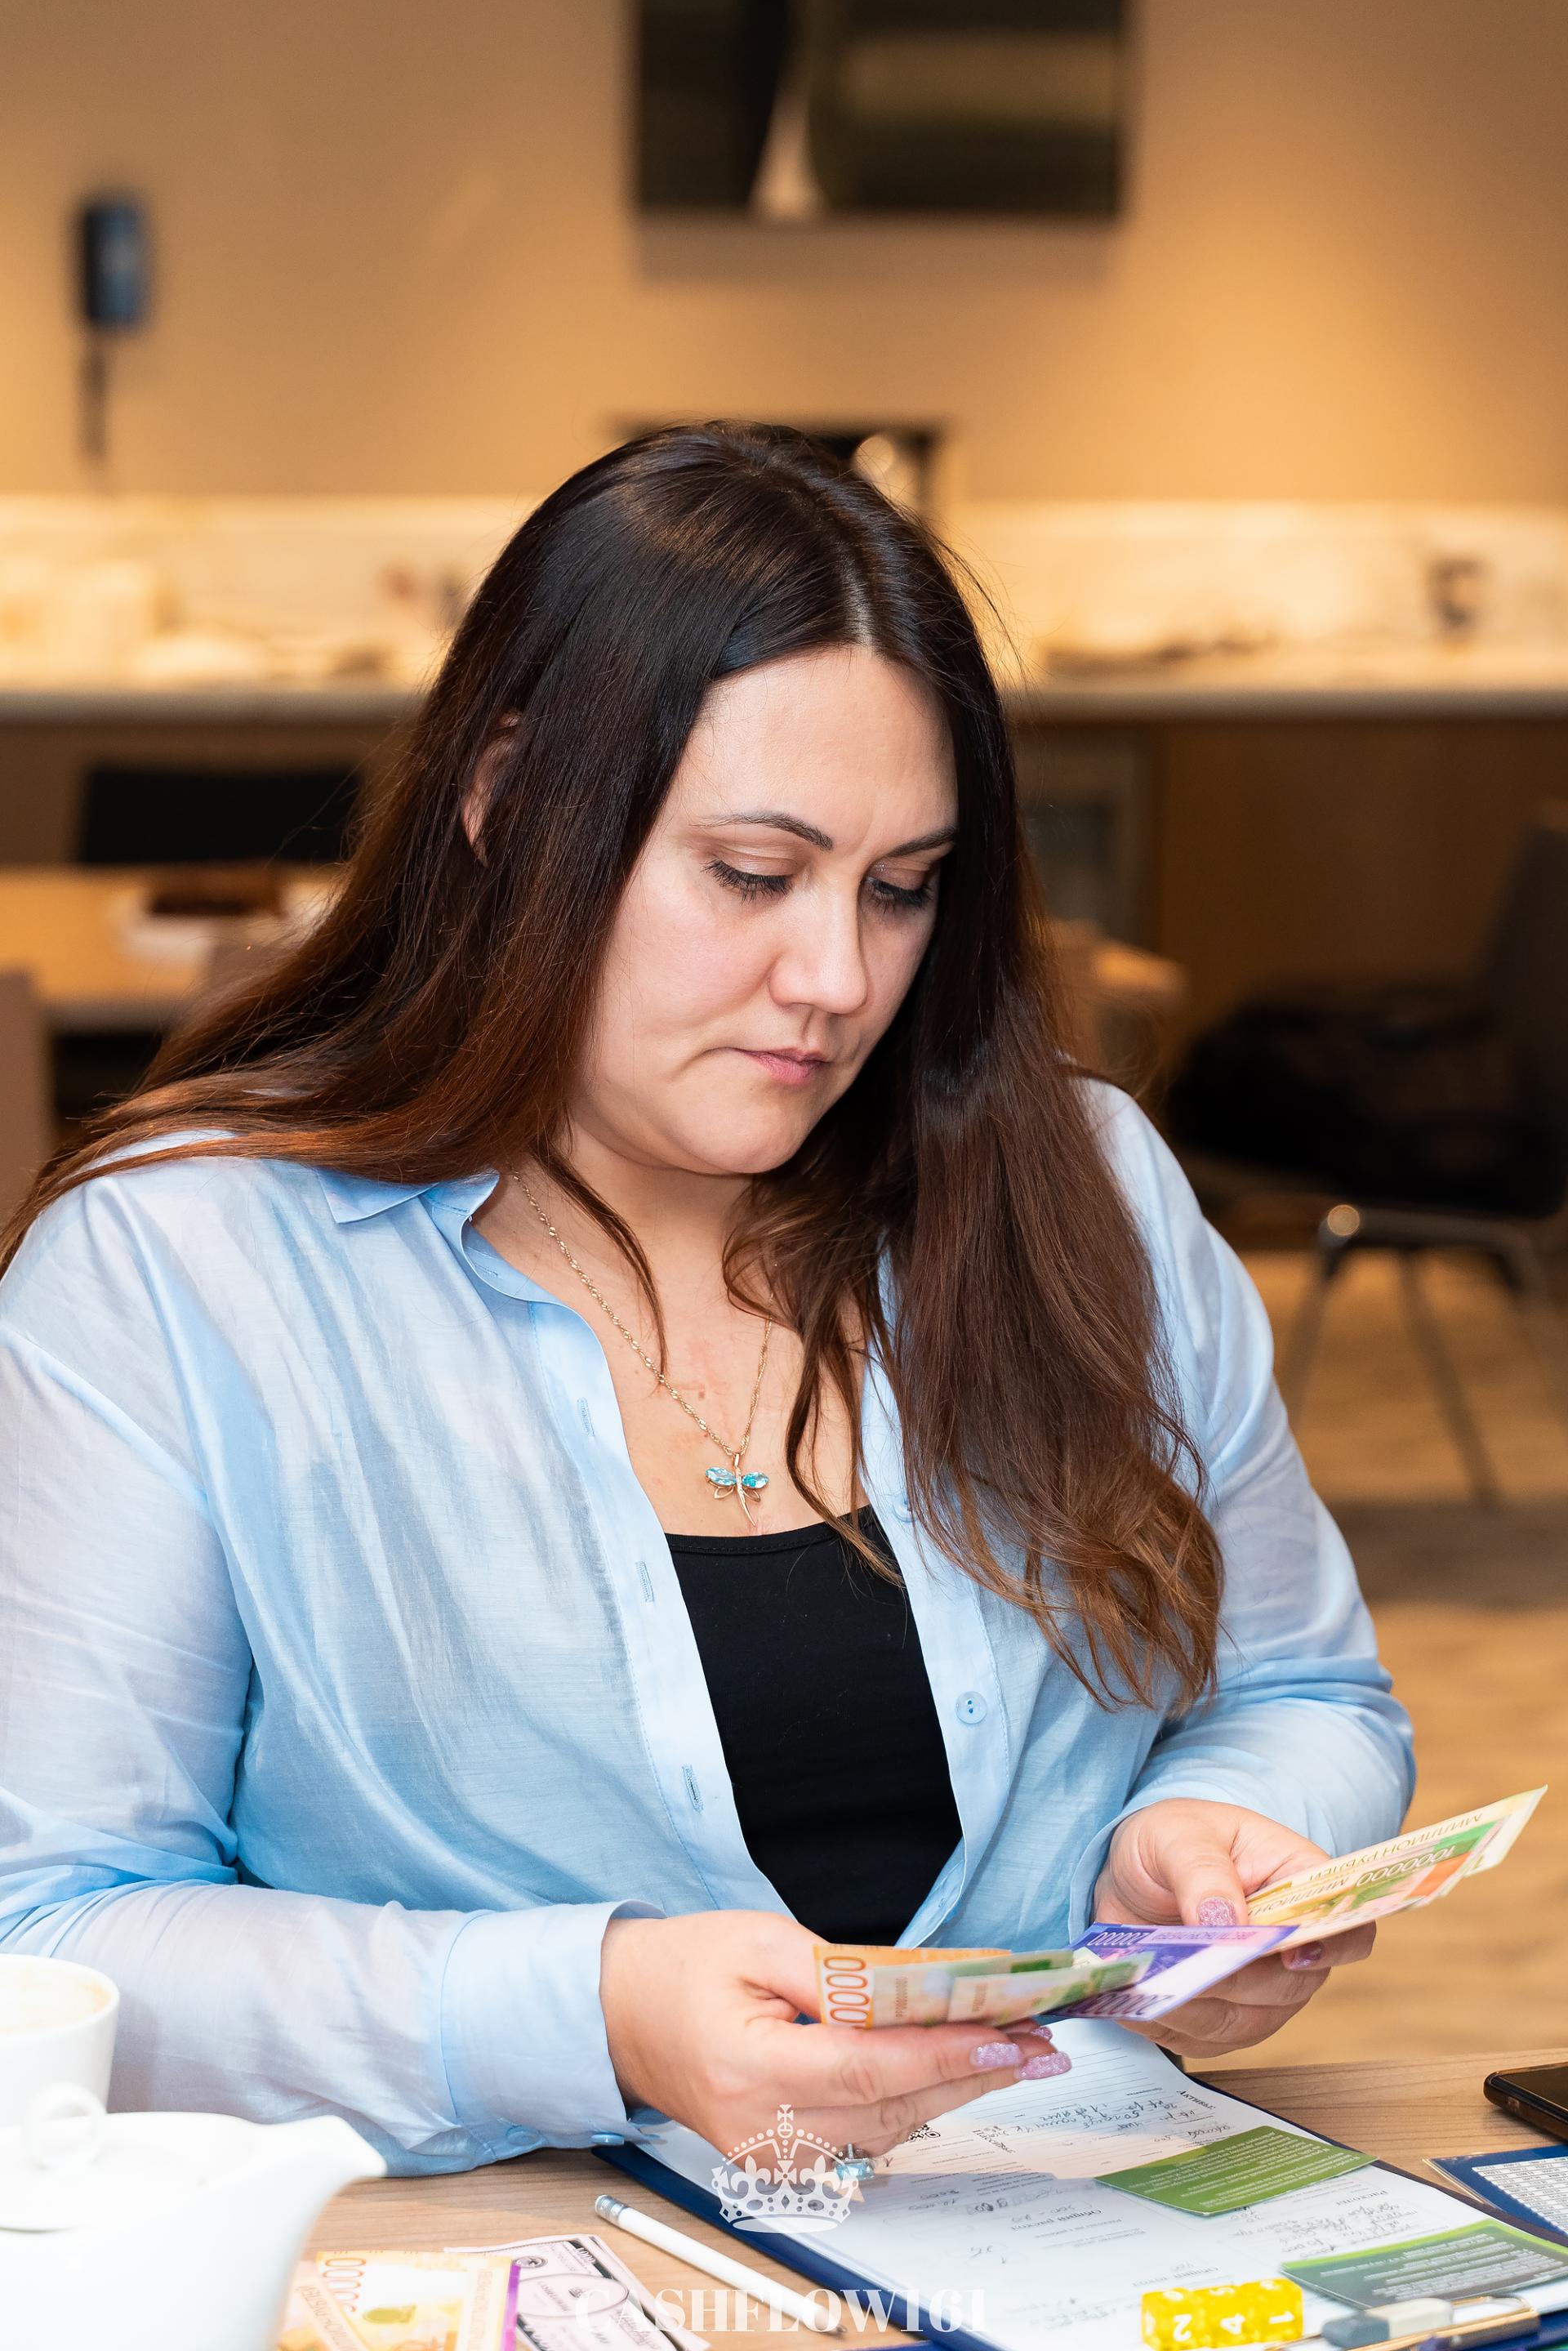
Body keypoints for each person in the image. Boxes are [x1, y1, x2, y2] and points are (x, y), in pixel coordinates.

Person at [0, 424, 1410, 2175]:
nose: (835, 978)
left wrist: (1222, 1828)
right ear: (508, 802)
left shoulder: (1086, 1190)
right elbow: (49, 1938)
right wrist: (589, 2012)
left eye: (901, 890)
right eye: (753, 875)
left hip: (1065, 2225)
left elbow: (1308, 1692)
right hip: (493, 2251)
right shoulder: (179, 1269)